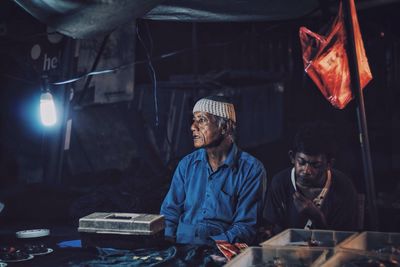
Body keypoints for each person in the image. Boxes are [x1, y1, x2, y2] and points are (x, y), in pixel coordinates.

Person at [160, 95, 267, 245]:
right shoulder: (187, 165)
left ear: (225, 127)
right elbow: (170, 213)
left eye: (202, 120)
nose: (193, 127)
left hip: (219, 254)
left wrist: (212, 249)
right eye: (193, 120)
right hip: (180, 249)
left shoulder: (251, 170)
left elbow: (245, 227)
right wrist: (169, 245)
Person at [263, 121, 358, 236]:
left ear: (329, 164)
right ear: (292, 157)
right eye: (301, 162)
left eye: (315, 165)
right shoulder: (280, 183)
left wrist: (317, 218)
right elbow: (273, 232)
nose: (306, 170)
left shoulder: (343, 187)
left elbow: (344, 241)